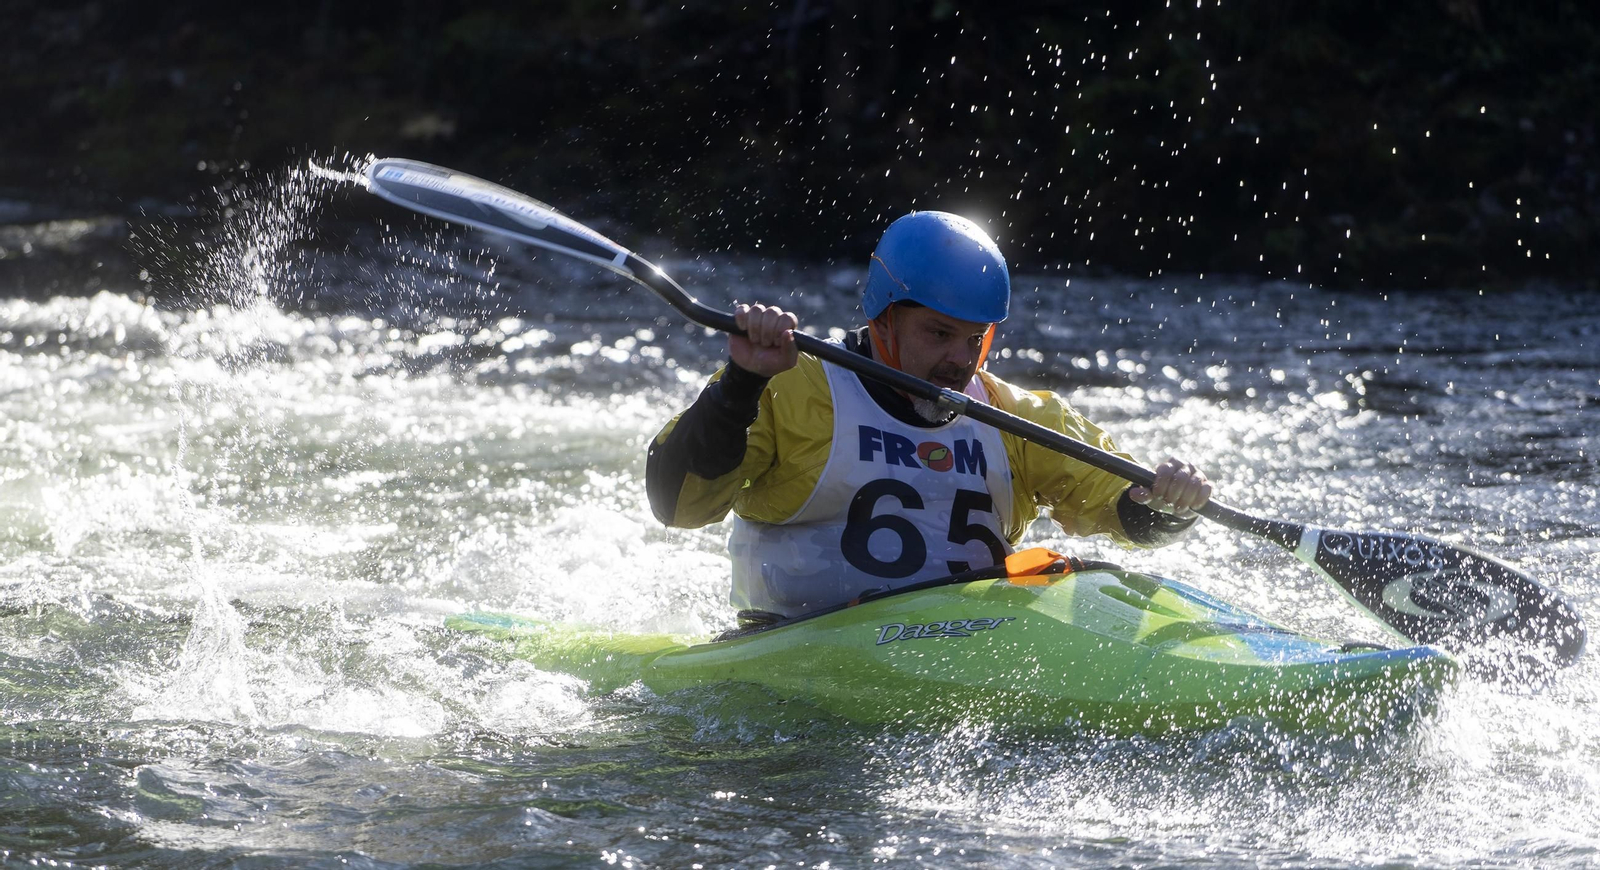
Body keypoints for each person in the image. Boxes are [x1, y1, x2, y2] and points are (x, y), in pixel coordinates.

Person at [646, 211, 1211, 625]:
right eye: (939, 334)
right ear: (885, 319)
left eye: (975, 339)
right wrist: (743, 382)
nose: (960, 361)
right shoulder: (791, 387)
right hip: (796, 640)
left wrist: (1162, 499)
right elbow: (678, 505)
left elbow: (1116, 503)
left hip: (964, 643)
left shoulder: (1016, 416)